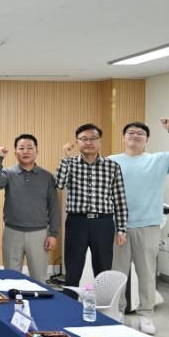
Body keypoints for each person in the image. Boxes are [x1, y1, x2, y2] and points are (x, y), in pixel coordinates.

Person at [108, 119, 169, 334]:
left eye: (140, 134)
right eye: (131, 133)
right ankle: (117, 311)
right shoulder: (111, 161)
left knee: (146, 273)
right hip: (118, 226)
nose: (135, 136)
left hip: (148, 225)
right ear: (124, 137)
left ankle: (146, 316)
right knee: (118, 272)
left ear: (147, 139)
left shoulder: (159, 160)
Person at [57, 123, 128, 293]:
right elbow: (59, 184)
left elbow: (120, 199)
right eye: (84, 139)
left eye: (93, 138)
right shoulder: (69, 163)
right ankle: (70, 305)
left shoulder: (112, 166)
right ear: (77, 142)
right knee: (73, 269)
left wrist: (121, 229)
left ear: (100, 141)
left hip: (103, 223)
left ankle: (103, 305)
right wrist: (65, 158)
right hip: (77, 222)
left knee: (103, 269)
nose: (89, 142)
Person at [0, 134, 59, 283]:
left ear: (37, 151)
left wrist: (53, 234)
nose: (25, 151)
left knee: (39, 279)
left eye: (29, 148)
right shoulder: (8, 173)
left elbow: (54, 206)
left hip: (39, 234)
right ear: (15, 153)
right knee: (10, 278)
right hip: (12, 232)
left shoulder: (47, 176)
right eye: (21, 148)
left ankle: (38, 300)